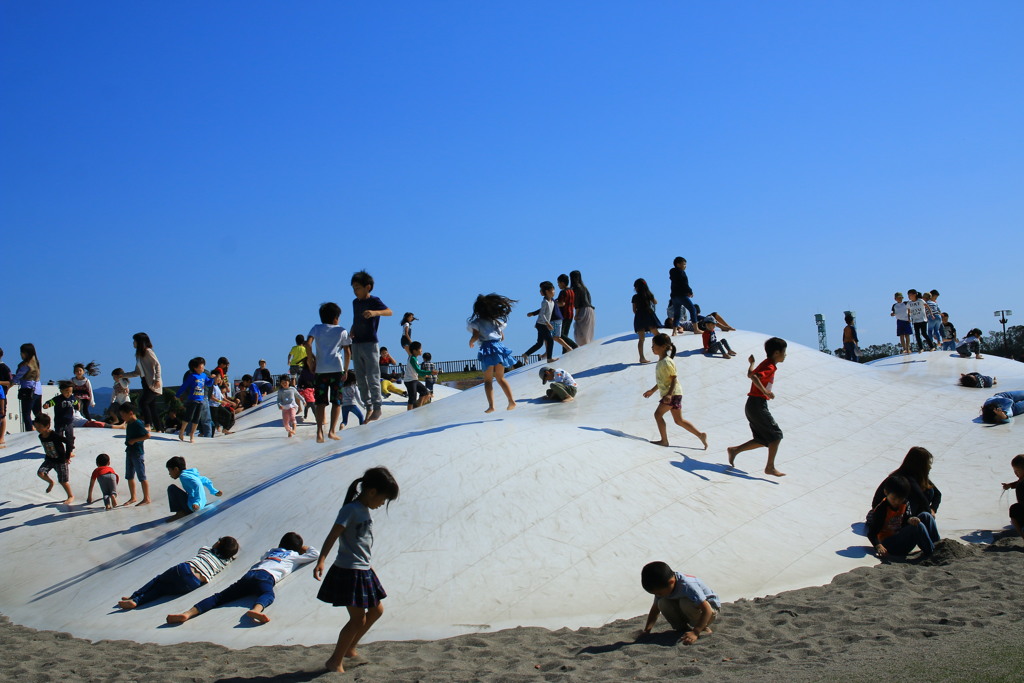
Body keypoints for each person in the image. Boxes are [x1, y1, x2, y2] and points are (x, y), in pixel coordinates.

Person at [314, 467, 400, 674]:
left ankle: (350, 647)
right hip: (349, 571)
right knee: (357, 619)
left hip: (363, 569)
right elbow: (333, 534)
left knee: (376, 610)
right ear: (371, 492)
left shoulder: (364, 510)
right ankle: (334, 661)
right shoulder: (350, 510)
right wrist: (322, 560)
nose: (381, 504)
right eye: (383, 499)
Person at [166, 533, 319, 625]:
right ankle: (256, 610)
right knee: (268, 595)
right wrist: (302, 548)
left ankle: (188, 613)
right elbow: (315, 554)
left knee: (219, 597)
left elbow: (263, 557)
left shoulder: (271, 551)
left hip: (250, 575)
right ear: (296, 548)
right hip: (266, 577)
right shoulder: (294, 556)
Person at [118, 536, 239, 610]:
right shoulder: (224, 563)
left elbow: (205, 549)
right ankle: (136, 602)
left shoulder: (206, 549)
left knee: (158, 580)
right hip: (193, 583)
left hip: (184, 569)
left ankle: (134, 596)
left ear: (218, 544)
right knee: (161, 590)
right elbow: (230, 558)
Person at [727, 337, 787, 477]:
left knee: (763, 439)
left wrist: (752, 364)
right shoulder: (770, 366)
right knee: (776, 435)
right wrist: (765, 391)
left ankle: (734, 450)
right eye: (784, 352)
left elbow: (750, 374)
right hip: (757, 404)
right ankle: (770, 467)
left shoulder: (766, 363)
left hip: (753, 405)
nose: (785, 355)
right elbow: (754, 378)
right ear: (777, 353)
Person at [642, 333, 707, 449]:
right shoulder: (662, 362)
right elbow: (663, 380)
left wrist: (669, 394)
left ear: (663, 347)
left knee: (658, 414)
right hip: (674, 393)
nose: (652, 348)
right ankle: (700, 435)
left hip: (672, 394)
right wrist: (652, 391)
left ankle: (664, 440)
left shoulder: (666, 362)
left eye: (654, 345)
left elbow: (673, 378)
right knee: (679, 420)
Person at [640, 561, 720, 645]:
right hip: (689, 608)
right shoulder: (663, 586)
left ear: (671, 582)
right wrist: (647, 630)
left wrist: (695, 632)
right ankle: (682, 629)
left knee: (685, 603)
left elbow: (707, 609)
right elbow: (655, 610)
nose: (658, 595)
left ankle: (702, 628)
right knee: (662, 602)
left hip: (710, 610)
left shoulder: (687, 585)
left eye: (659, 593)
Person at [306, 301, 353, 443]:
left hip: (321, 370)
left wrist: (310, 361)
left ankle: (319, 432)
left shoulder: (316, 328)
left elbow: (308, 344)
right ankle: (332, 431)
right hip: (337, 370)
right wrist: (346, 370)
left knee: (320, 402)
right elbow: (347, 352)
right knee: (337, 402)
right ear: (335, 318)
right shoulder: (342, 330)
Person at [351, 270, 393, 423]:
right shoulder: (355, 303)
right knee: (360, 378)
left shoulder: (374, 300)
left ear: (367, 287)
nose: (355, 291)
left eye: (358, 288)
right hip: (356, 343)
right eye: (353, 288)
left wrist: (375, 313)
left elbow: (389, 312)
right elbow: (355, 318)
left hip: (370, 342)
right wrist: (352, 329)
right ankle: (368, 406)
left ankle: (377, 407)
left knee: (373, 376)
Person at [867, 475, 940, 559]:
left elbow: (906, 520)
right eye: (894, 499)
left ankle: (938, 545)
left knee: (926, 516)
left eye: (900, 499)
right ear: (886, 492)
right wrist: (878, 545)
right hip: (889, 544)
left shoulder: (905, 503)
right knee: (918, 526)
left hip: (901, 537)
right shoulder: (881, 509)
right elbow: (871, 533)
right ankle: (931, 553)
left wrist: (911, 519)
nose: (897, 502)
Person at [467, 293, 518, 413]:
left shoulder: (477, 322)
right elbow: (502, 337)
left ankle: (491, 406)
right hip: (500, 348)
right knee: (500, 378)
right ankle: (511, 400)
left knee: (488, 381)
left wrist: (471, 341)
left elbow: (476, 335)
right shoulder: (496, 322)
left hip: (487, 349)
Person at [870, 446, 941, 517]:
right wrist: (928, 514)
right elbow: (922, 499)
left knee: (930, 490)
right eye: (928, 464)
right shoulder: (902, 479)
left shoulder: (919, 477)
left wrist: (933, 509)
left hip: (909, 514)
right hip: (892, 517)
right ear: (920, 465)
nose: (930, 467)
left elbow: (937, 494)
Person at [121, 332, 164, 432]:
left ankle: (148, 425)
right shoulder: (139, 355)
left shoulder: (148, 352)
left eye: (134, 341)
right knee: (152, 406)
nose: (133, 343)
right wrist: (123, 375)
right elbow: (137, 372)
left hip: (152, 383)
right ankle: (159, 428)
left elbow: (157, 365)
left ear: (140, 342)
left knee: (143, 402)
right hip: (145, 382)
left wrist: (157, 379)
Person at [521, 281, 569, 365]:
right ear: (547, 291)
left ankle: (526, 354)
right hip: (541, 324)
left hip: (543, 324)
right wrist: (548, 323)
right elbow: (542, 313)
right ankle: (549, 358)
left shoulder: (552, 301)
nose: (554, 292)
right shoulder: (545, 302)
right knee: (550, 340)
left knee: (539, 343)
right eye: (553, 290)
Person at [166, 455, 223, 522]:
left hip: (193, 507)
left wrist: (197, 502)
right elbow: (205, 480)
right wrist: (214, 491)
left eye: (169, 471)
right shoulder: (190, 474)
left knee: (171, 488)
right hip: (201, 503)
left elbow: (197, 485)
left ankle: (180, 513)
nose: (169, 474)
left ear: (176, 469)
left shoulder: (183, 477)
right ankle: (192, 506)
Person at [33, 414, 73, 504]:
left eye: (39, 427)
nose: (38, 429)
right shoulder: (41, 436)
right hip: (49, 459)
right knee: (40, 472)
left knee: (63, 481)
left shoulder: (54, 435)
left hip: (60, 461)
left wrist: (67, 456)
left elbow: (68, 442)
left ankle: (70, 496)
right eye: (36, 427)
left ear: (47, 426)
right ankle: (51, 482)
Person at [175, 357, 214, 443]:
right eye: (201, 365)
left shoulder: (204, 375)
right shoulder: (191, 376)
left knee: (196, 418)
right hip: (192, 400)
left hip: (201, 400)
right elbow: (184, 386)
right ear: (195, 368)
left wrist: (211, 378)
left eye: (203, 365)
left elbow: (208, 383)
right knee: (188, 417)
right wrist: (177, 394)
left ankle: (192, 435)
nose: (203, 367)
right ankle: (182, 431)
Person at [120, 403, 151, 506]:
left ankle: (146, 498)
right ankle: (133, 497)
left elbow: (147, 435)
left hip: (137, 452)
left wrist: (134, 440)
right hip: (129, 451)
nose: (122, 417)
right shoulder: (129, 423)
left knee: (141, 475)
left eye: (123, 415)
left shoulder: (137, 423)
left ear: (130, 413)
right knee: (129, 475)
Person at [43, 380, 80, 458]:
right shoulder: (58, 399)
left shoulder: (72, 398)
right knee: (58, 437)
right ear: (61, 390)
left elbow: (76, 403)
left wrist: (77, 406)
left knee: (70, 437)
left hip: (69, 422)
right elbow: (51, 402)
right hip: (59, 422)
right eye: (66, 391)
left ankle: (69, 451)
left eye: (70, 391)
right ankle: (59, 451)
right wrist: (47, 405)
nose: (68, 393)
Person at [12, 343, 42, 431]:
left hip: (28, 389)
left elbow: (17, 377)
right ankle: (43, 427)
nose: (21, 354)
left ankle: (29, 430)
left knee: (26, 413)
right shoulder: (36, 361)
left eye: (22, 352)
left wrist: (11, 381)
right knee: (38, 412)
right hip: (38, 389)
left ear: (26, 353)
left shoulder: (25, 365)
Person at [632, 278, 662, 364]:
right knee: (657, 334)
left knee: (641, 339)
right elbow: (655, 302)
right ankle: (661, 353)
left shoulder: (635, 297)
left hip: (639, 317)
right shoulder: (648, 295)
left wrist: (639, 314)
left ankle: (642, 357)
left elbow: (634, 310)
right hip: (649, 315)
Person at [668, 257, 698, 336]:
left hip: (674, 296)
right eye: (684, 264)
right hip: (681, 295)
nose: (685, 266)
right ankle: (696, 329)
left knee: (677, 314)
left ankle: (674, 331)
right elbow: (684, 284)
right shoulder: (681, 272)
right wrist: (690, 292)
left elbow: (678, 284)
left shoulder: (672, 273)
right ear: (678, 264)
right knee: (692, 309)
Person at [403, 342, 434, 410]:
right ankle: (408, 414)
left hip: (414, 380)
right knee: (412, 398)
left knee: (425, 392)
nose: (421, 350)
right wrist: (431, 372)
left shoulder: (414, 358)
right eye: (420, 349)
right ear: (414, 350)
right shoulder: (412, 359)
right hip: (410, 381)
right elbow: (419, 371)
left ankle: (418, 407)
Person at [1001, 454, 1024, 540]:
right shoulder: (1021, 479)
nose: (1015, 473)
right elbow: (1018, 483)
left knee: (1014, 510)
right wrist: (1010, 485)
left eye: (1017, 471)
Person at [570, 270, 596, 345]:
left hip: (583, 310)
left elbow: (577, 303)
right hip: (590, 310)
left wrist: (576, 314)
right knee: (588, 333)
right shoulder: (584, 288)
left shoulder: (576, 288)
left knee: (580, 334)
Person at [555, 274, 579, 350]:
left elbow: (562, 303)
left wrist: (554, 303)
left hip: (563, 315)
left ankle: (574, 345)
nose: (558, 285)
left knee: (560, 334)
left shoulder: (563, 292)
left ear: (562, 283)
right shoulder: (571, 291)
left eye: (558, 283)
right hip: (570, 314)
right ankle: (565, 351)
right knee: (565, 334)